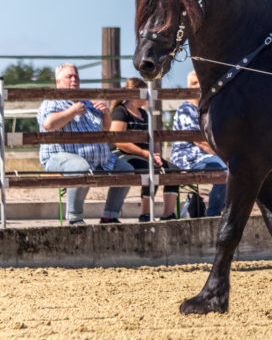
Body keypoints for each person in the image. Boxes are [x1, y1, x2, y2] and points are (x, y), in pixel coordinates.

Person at [37, 63, 132, 225]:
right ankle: (74, 218)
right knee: (80, 168)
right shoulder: (53, 100)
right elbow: (49, 124)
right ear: (58, 81)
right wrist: (72, 111)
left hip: (100, 160)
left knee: (127, 171)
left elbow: (106, 129)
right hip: (60, 157)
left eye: (76, 76)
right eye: (69, 76)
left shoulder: (87, 102)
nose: (74, 79)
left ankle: (110, 216)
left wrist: (106, 114)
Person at [109, 78, 179, 221]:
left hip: (145, 155)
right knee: (151, 170)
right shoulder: (120, 112)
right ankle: (145, 213)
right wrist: (144, 153)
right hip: (124, 155)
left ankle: (168, 214)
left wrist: (156, 154)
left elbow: (152, 137)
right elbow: (118, 141)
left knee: (173, 170)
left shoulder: (143, 113)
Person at [171, 71, 226, 216]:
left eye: (200, 83)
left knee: (234, 167)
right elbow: (199, 141)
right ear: (188, 86)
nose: (198, 87)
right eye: (194, 84)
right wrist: (223, 155)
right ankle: (213, 214)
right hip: (188, 156)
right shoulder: (186, 109)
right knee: (226, 171)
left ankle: (225, 209)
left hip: (207, 156)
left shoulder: (206, 108)